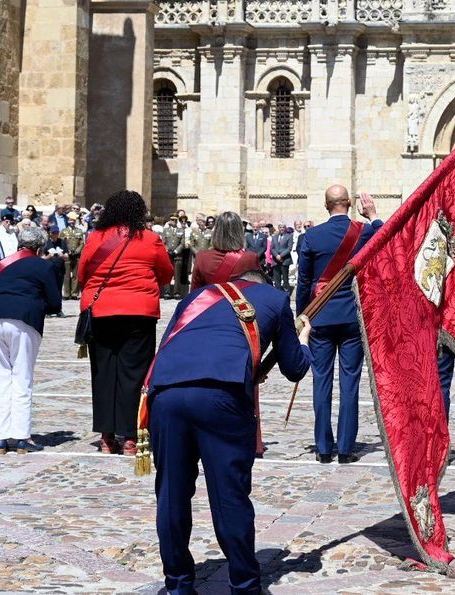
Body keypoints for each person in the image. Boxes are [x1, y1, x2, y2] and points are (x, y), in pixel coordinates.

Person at [148, 270, 311, 594]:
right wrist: (303, 339)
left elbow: (170, 344)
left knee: (172, 494)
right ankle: (244, 584)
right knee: (229, 496)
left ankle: (178, 584)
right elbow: (294, 367)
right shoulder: (275, 300)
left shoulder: (196, 297)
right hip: (221, 396)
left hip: (166, 393)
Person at [80, 190, 173, 455]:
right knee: (135, 374)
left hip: (101, 311)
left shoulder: (96, 238)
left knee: (104, 374)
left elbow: (83, 272)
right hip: (138, 312)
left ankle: (107, 437)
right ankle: (131, 436)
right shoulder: (151, 239)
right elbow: (165, 274)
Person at [296, 185, 383, 464]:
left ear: (326, 206)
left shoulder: (311, 236)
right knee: (350, 383)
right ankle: (345, 448)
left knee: (321, 381)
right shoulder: (365, 231)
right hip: (351, 317)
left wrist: (302, 316)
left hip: (319, 319)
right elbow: (388, 241)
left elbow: (304, 282)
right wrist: (373, 215)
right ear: (350, 204)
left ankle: (323, 448)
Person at [0, 225, 62, 454]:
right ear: (39, 247)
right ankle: (22, 437)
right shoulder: (44, 266)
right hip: (24, 318)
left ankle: (0, 438)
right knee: (21, 377)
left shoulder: (2, 264)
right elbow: (55, 303)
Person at [191, 212, 263, 290]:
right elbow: (258, 291)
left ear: (216, 232)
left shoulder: (202, 257)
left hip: (211, 302)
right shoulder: (250, 258)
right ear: (239, 232)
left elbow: (195, 293)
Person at [60, 212, 86, 299]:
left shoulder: (79, 231)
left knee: (76, 275)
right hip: (67, 256)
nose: (72, 222)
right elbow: (61, 243)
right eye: (70, 220)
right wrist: (67, 251)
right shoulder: (64, 231)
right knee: (66, 275)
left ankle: (74, 293)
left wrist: (77, 251)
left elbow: (82, 243)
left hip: (76, 256)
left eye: (73, 220)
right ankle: (66, 294)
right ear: (68, 221)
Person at [161, 216, 186, 300]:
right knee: (167, 273)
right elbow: (163, 242)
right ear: (169, 221)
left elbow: (182, 243)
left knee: (177, 275)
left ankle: (177, 293)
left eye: (175, 220)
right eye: (172, 220)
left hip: (177, 255)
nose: (174, 221)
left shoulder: (181, 231)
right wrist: (167, 250)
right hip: (167, 255)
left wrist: (175, 251)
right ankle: (167, 292)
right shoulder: (165, 230)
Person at [270, 223, 295, 292]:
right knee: (276, 278)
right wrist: (276, 256)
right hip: (276, 260)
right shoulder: (274, 237)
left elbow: (289, 248)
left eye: (283, 227)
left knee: (285, 277)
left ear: (285, 228)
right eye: (280, 227)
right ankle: (277, 292)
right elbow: (272, 248)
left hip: (285, 260)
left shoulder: (289, 236)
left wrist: (281, 256)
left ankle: (286, 292)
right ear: (278, 228)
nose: (282, 228)